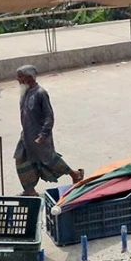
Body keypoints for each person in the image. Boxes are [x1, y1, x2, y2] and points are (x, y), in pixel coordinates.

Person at [14, 65, 82, 196]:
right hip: (26, 136)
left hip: (39, 136)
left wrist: (43, 135)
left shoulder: (40, 93)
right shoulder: (25, 92)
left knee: (50, 160)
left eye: (20, 76)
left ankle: (75, 174)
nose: (17, 79)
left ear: (29, 78)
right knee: (21, 160)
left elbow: (49, 116)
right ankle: (30, 190)